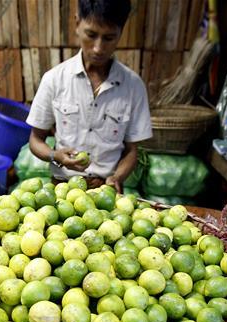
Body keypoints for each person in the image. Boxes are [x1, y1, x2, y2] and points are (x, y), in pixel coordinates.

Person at [26, 0, 152, 192]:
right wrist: (56, 156)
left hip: (106, 192)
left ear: (121, 32)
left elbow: (132, 151)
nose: (98, 48)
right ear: (77, 23)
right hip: (61, 192)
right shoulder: (54, 79)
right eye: (91, 35)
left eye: (109, 38)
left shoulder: (133, 86)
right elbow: (35, 140)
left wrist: (117, 177)